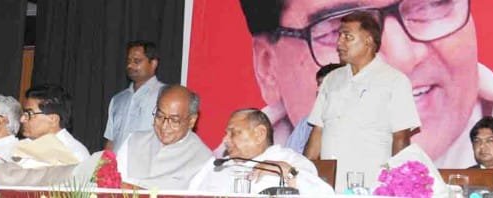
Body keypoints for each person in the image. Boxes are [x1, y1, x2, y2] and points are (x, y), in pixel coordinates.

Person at [239, 0, 483, 169]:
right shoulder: (220, 178)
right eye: (340, 28)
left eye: (429, 5)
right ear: (268, 66)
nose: (403, 58)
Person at [304, 11, 421, 190]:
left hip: (372, 185)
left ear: (368, 41)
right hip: (328, 187)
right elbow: (317, 133)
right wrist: (305, 177)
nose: (339, 43)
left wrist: (395, 186)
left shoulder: (394, 81)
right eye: (339, 36)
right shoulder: (331, 80)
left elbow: (401, 139)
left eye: (347, 37)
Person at [188, 108, 333, 195]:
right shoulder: (217, 166)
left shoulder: (290, 161)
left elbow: (325, 195)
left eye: (233, 133)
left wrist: (287, 171)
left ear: (259, 134)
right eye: (226, 133)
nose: (225, 139)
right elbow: (190, 195)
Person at [116, 85, 211, 190]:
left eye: (174, 120)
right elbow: (113, 187)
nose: (164, 126)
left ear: (192, 121)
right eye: (160, 116)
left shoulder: (203, 160)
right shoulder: (133, 141)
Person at [103, 40, 165, 152]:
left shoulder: (165, 96)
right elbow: (111, 142)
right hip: (117, 168)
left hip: (149, 167)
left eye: (137, 61)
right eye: (129, 61)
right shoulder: (117, 100)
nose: (130, 65)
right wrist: (104, 167)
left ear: (153, 64)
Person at [284, 63, 344, 154]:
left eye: (326, 85)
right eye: (319, 85)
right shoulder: (306, 123)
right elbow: (288, 157)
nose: (319, 90)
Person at [20, 84, 90, 161]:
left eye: (29, 114)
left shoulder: (73, 155)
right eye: (23, 113)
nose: (22, 119)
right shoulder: (25, 146)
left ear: (53, 119)